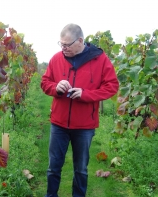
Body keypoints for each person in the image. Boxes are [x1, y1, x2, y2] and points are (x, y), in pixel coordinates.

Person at [40, 23, 119, 197]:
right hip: (58, 124)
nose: (63, 48)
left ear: (80, 41)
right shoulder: (56, 59)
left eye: (67, 45)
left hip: (84, 126)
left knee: (81, 169)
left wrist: (86, 94)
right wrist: (56, 87)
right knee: (53, 167)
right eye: (61, 44)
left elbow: (112, 86)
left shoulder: (100, 60)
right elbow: (45, 83)